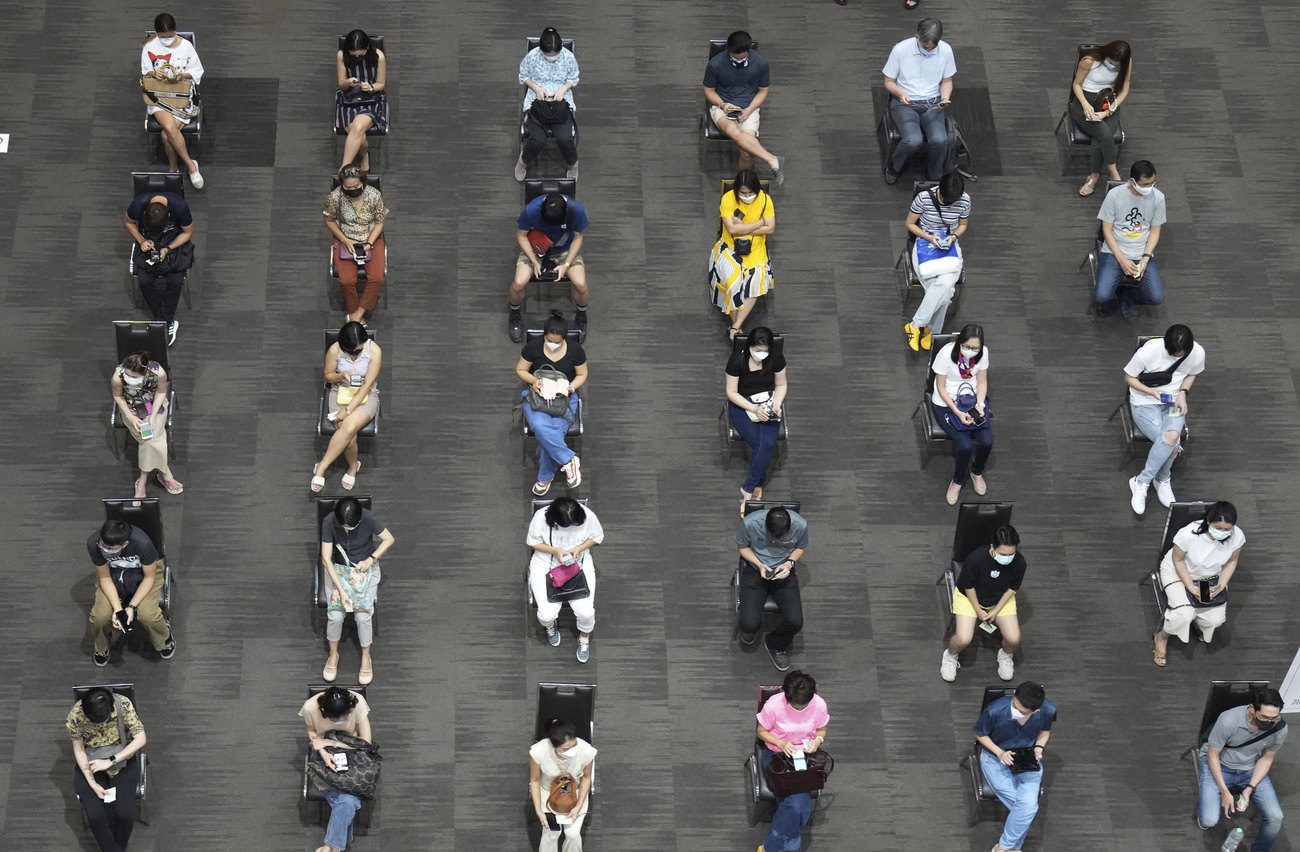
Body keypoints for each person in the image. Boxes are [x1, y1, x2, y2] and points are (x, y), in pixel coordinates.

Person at [1123, 324, 1204, 515]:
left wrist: (1183, 393)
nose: (1179, 358)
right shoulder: (1149, 352)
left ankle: (1145, 480)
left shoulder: (1197, 352)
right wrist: (1151, 391)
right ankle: (1158, 478)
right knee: (1172, 444)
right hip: (1144, 402)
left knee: (1171, 437)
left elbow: (1192, 373)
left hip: (1173, 403)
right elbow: (1129, 378)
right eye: (1175, 355)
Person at [1153, 501, 1244, 667]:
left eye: (1227, 529)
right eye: (1218, 528)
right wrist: (1189, 586)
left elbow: (1232, 560)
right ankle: (1162, 636)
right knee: (1183, 614)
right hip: (1179, 573)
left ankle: (1197, 619)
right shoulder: (1188, 535)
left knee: (1216, 620)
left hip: (1209, 577)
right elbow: (1178, 560)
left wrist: (1222, 583)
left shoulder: (1237, 536)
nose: (1223, 532)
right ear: (1208, 521)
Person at [1197, 687, 1286, 852]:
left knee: (1276, 817)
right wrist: (1224, 791)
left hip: (1249, 768)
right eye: (1264, 717)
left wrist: (1250, 788)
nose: (1269, 722)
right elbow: (1212, 756)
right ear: (1252, 708)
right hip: (1220, 764)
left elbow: (1266, 758)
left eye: (1274, 717)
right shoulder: (1228, 721)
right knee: (1209, 820)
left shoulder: (1279, 728)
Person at [972, 682, 1055, 852]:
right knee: (1027, 808)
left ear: (1036, 711)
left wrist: (1039, 748)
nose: (1016, 711)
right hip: (995, 758)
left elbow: (1044, 732)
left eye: (1023, 712)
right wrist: (1000, 753)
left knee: (1025, 808)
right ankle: (1012, 848)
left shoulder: (1048, 710)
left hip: (1026, 757)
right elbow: (979, 733)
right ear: (1015, 693)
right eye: (1014, 705)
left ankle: (1003, 848)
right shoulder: (994, 710)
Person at [320, 497, 394, 684]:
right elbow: (326, 559)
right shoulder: (329, 521)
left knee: (363, 616)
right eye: (343, 526)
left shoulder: (368, 518)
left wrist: (371, 559)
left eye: (350, 528)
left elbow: (388, 539)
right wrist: (341, 591)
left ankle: (366, 657)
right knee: (335, 616)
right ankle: (333, 654)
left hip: (364, 570)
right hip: (338, 572)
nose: (346, 530)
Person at [755, 670, 830, 852]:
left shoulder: (818, 705)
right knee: (798, 806)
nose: (799, 710)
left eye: (803, 707)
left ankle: (769, 848)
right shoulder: (774, 706)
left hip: (803, 757)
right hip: (776, 756)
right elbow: (761, 731)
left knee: (795, 805)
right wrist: (780, 742)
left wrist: (817, 741)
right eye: (795, 706)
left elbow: (822, 729)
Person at [67, 688, 147, 852]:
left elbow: (141, 739)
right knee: (95, 816)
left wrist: (111, 761)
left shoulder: (123, 705)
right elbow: (79, 749)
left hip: (121, 760)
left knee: (125, 814)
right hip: (92, 763)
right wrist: (92, 782)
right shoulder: (76, 715)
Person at [941, 525, 1024, 683]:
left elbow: (1012, 589)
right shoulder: (976, 559)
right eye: (1003, 554)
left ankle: (1005, 656)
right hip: (969, 598)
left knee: (1014, 639)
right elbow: (968, 586)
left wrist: (996, 610)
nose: (1007, 558)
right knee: (963, 638)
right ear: (992, 547)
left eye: (1011, 554)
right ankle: (950, 656)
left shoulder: (1020, 563)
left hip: (999, 600)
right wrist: (979, 611)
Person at [86, 520, 176, 667]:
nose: (105, 549)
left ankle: (164, 639)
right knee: (99, 617)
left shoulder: (142, 543)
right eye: (103, 545)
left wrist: (132, 607)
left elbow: (149, 578)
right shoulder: (93, 543)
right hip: (113, 575)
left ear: (125, 544)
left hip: (144, 574)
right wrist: (118, 608)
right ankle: (102, 646)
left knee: (148, 615)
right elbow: (105, 578)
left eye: (110, 548)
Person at [702, 31, 786, 185]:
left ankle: (743, 185)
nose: (739, 60)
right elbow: (709, 90)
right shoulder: (715, 64)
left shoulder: (761, 63)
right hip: (722, 106)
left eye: (743, 58)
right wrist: (723, 104)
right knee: (733, 131)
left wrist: (748, 110)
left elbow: (763, 91)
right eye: (735, 57)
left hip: (749, 107)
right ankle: (772, 159)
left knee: (747, 152)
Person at [515, 313, 586, 494]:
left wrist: (570, 387)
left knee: (549, 435)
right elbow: (521, 369)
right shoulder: (533, 347)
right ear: (544, 336)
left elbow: (582, 375)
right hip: (537, 397)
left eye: (557, 342)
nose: (552, 344)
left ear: (564, 339)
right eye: (548, 340)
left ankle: (545, 478)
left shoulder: (575, 350)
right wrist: (534, 381)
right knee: (540, 425)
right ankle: (569, 460)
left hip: (564, 399)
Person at [527, 497, 603, 663]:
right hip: (545, 565)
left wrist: (580, 548)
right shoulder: (541, 517)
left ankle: (584, 638)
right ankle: (550, 627)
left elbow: (597, 537)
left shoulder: (588, 516)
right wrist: (555, 551)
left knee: (586, 613)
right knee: (547, 615)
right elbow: (532, 542)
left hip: (578, 565)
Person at [735, 506, 810, 672]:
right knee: (748, 624)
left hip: (784, 572)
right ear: (764, 523)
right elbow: (742, 547)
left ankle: (775, 644)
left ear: (790, 523)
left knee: (795, 622)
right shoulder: (750, 523)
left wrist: (789, 563)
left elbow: (800, 547)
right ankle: (751, 627)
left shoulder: (800, 525)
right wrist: (759, 564)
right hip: (755, 570)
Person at [509, 193, 590, 343]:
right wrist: (533, 260)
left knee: (581, 284)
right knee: (519, 283)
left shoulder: (576, 210)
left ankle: (581, 315)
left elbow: (578, 238)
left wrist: (566, 265)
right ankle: (514, 314)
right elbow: (522, 236)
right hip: (536, 249)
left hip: (565, 251)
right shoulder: (531, 210)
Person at [882, 19, 956, 183]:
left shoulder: (946, 51)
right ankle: (894, 167)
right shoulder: (900, 50)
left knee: (940, 140)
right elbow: (888, 81)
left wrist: (944, 98)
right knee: (912, 140)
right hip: (905, 102)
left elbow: (946, 81)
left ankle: (934, 176)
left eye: (932, 48)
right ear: (917, 37)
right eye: (924, 47)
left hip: (932, 103)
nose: (928, 51)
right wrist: (900, 93)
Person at [300, 686, 373, 852]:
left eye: (345, 717)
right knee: (349, 801)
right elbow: (312, 731)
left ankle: (331, 846)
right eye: (336, 720)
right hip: (322, 753)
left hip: (353, 751)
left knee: (346, 801)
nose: (342, 721)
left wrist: (330, 743)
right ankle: (336, 846)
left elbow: (366, 743)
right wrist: (323, 752)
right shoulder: (310, 708)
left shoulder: (357, 702)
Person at [312, 322, 381, 493]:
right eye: (351, 351)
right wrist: (341, 375)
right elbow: (328, 376)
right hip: (340, 392)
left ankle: (322, 466)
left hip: (366, 395)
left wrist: (348, 410)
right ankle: (352, 467)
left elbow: (367, 385)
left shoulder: (374, 351)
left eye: (358, 351)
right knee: (349, 436)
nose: (355, 354)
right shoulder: (335, 350)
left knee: (348, 426)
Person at [903, 172, 969, 350]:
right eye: (947, 201)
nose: (950, 204)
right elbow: (910, 224)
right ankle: (931, 331)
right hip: (925, 246)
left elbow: (963, 225)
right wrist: (928, 236)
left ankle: (916, 325)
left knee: (943, 289)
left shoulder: (964, 200)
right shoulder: (924, 199)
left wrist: (953, 236)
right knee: (945, 294)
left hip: (949, 249)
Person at [1093, 159, 1165, 317]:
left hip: (1141, 253)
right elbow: (1107, 230)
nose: (1150, 188)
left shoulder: (1158, 198)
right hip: (1114, 252)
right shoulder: (1114, 196)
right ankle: (1113, 297)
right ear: (1133, 181)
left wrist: (1146, 258)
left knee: (1156, 298)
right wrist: (1122, 260)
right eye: (1145, 185)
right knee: (1101, 296)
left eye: (1152, 183)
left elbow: (1154, 231)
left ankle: (1127, 297)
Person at [710, 170, 776, 339]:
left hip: (756, 250)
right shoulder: (728, 199)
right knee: (733, 284)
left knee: (756, 280)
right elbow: (731, 230)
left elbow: (770, 228)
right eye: (743, 193)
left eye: (750, 193)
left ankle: (735, 326)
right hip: (729, 248)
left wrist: (744, 228)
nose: (747, 196)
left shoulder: (765, 200)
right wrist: (759, 223)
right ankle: (736, 329)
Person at [725, 326, 786, 506]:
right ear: (750, 347)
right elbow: (731, 392)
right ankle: (757, 481)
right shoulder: (737, 360)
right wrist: (753, 408)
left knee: (765, 445)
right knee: (764, 447)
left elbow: (781, 385)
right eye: (758, 351)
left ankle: (749, 489)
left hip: (767, 402)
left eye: (765, 351)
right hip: (742, 404)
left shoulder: (775, 358)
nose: (761, 355)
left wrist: (776, 404)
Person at [123, 190, 194, 344]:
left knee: (176, 280)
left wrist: (168, 248)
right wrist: (142, 240)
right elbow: (128, 222)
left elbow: (188, 232)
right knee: (144, 280)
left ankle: (161, 323)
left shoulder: (180, 207)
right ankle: (165, 321)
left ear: (169, 216)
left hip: (173, 242)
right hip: (147, 241)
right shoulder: (138, 205)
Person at [931, 324, 991, 505]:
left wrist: (980, 405)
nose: (971, 351)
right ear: (960, 343)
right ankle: (957, 480)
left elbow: (982, 380)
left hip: (971, 401)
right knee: (965, 445)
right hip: (947, 403)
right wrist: (957, 412)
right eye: (967, 347)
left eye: (975, 348)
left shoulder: (983, 353)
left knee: (986, 441)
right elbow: (940, 387)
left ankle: (976, 472)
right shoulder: (946, 355)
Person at [141, 14, 204, 187]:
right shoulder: (148, 45)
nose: (168, 40)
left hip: (181, 94)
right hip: (159, 96)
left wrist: (182, 75)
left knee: (166, 134)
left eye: (170, 36)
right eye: (163, 37)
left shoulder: (186, 46)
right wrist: (154, 73)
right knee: (169, 128)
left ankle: (173, 167)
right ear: (157, 33)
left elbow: (197, 71)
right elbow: (145, 70)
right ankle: (191, 166)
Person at [110, 351, 183, 498]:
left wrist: (153, 415)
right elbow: (118, 396)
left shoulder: (158, 372)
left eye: (134, 377)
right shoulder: (118, 376)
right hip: (132, 410)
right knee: (152, 440)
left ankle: (142, 482)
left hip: (154, 407)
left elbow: (161, 393)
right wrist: (130, 417)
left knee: (149, 440)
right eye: (128, 375)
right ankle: (165, 474)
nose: (130, 379)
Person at [324, 166, 389, 325]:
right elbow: (329, 220)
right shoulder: (335, 197)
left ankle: (357, 315)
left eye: (356, 187)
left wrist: (369, 243)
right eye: (348, 187)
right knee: (346, 280)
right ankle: (353, 311)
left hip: (371, 238)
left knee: (377, 277)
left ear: (363, 183)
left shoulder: (374, 195)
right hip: (345, 238)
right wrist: (345, 241)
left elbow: (380, 222)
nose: (352, 190)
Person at [516, 27, 580, 182]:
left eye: (555, 56)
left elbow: (574, 77)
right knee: (537, 139)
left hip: (561, 102)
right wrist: (536, 88)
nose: (552, 59)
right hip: (537, 101)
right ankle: (522, 163)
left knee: (565, 138)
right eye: (548, 56)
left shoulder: (568, 57)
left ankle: (574, 165)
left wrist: (563, 89)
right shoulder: (532, 57)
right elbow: (523, 75)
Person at [1070, 40, 1132, 197]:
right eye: (1111, 63)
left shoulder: (1126, 62)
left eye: (1116, 64)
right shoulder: (1089, 61)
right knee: (1104, 134)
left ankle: (1094, 176)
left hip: (1108, 104)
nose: (1113, 66)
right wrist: (1085, 105)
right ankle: (1115, 175)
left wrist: (1108, 111)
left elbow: (1124, 90)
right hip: (1084, 103)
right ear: (1106, 55)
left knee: (1101, 136)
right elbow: (1076, 84)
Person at [529, 717, 596, 852]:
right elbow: (535, 781)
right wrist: (539, 811)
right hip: (547, 791)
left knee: (572, 835)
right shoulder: (538, 752)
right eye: (566, 748)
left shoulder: (586, 751)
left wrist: (578, 806)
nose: (573, 750)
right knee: (552, 834)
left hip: (575, 791)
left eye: (574, 744)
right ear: (554, 746)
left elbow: (587, 778)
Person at [335, 29, 387, 172]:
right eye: (354, 54)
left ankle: (343, 169)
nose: (357, 56)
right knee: (359, 136)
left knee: (357, 128)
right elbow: (341, 84)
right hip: (349, 99)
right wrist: (348, 82)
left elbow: (381, 84)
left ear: (367, 48)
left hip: (370, 99)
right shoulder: (341, 55)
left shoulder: (378, 56)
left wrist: (369, 87)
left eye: (360, 53)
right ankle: (364, 155)